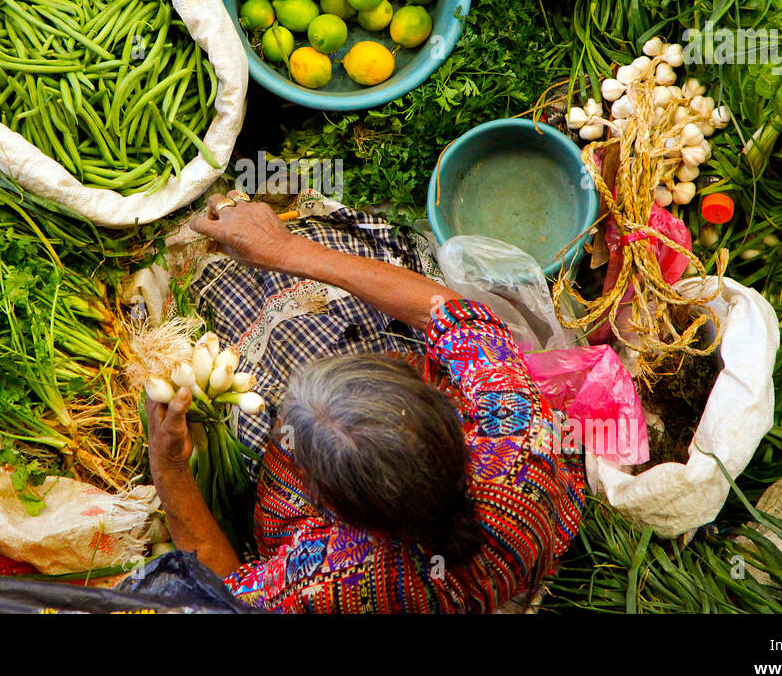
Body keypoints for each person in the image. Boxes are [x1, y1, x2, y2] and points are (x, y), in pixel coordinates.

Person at [146, 193, 585, 613]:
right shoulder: (515, 434)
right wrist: (281, 248)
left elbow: (224, 601)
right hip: (526, 546)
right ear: (443, 409)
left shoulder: (333, 577)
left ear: (332, 508)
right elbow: (452, 314)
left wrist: (171, 468)